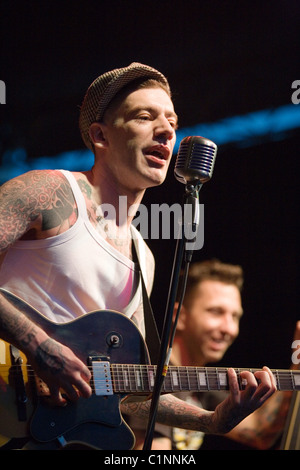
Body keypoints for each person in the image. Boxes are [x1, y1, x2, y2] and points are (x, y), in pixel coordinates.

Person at [0, 63, 276, 450]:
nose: (166, 131)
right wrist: (39, 346)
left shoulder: (142, 257)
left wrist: (213, 421)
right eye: (145, 117)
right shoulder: (48, 192)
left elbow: (131, 393)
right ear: (101, 135)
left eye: (171, 121)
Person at [130, 259, 299, 450]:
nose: (229, 328)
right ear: (181, 316)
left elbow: (259, 433)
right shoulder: (151, 375)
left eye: (235, 316)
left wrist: (297, 361)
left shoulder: (200, 383)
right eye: (216, 312)